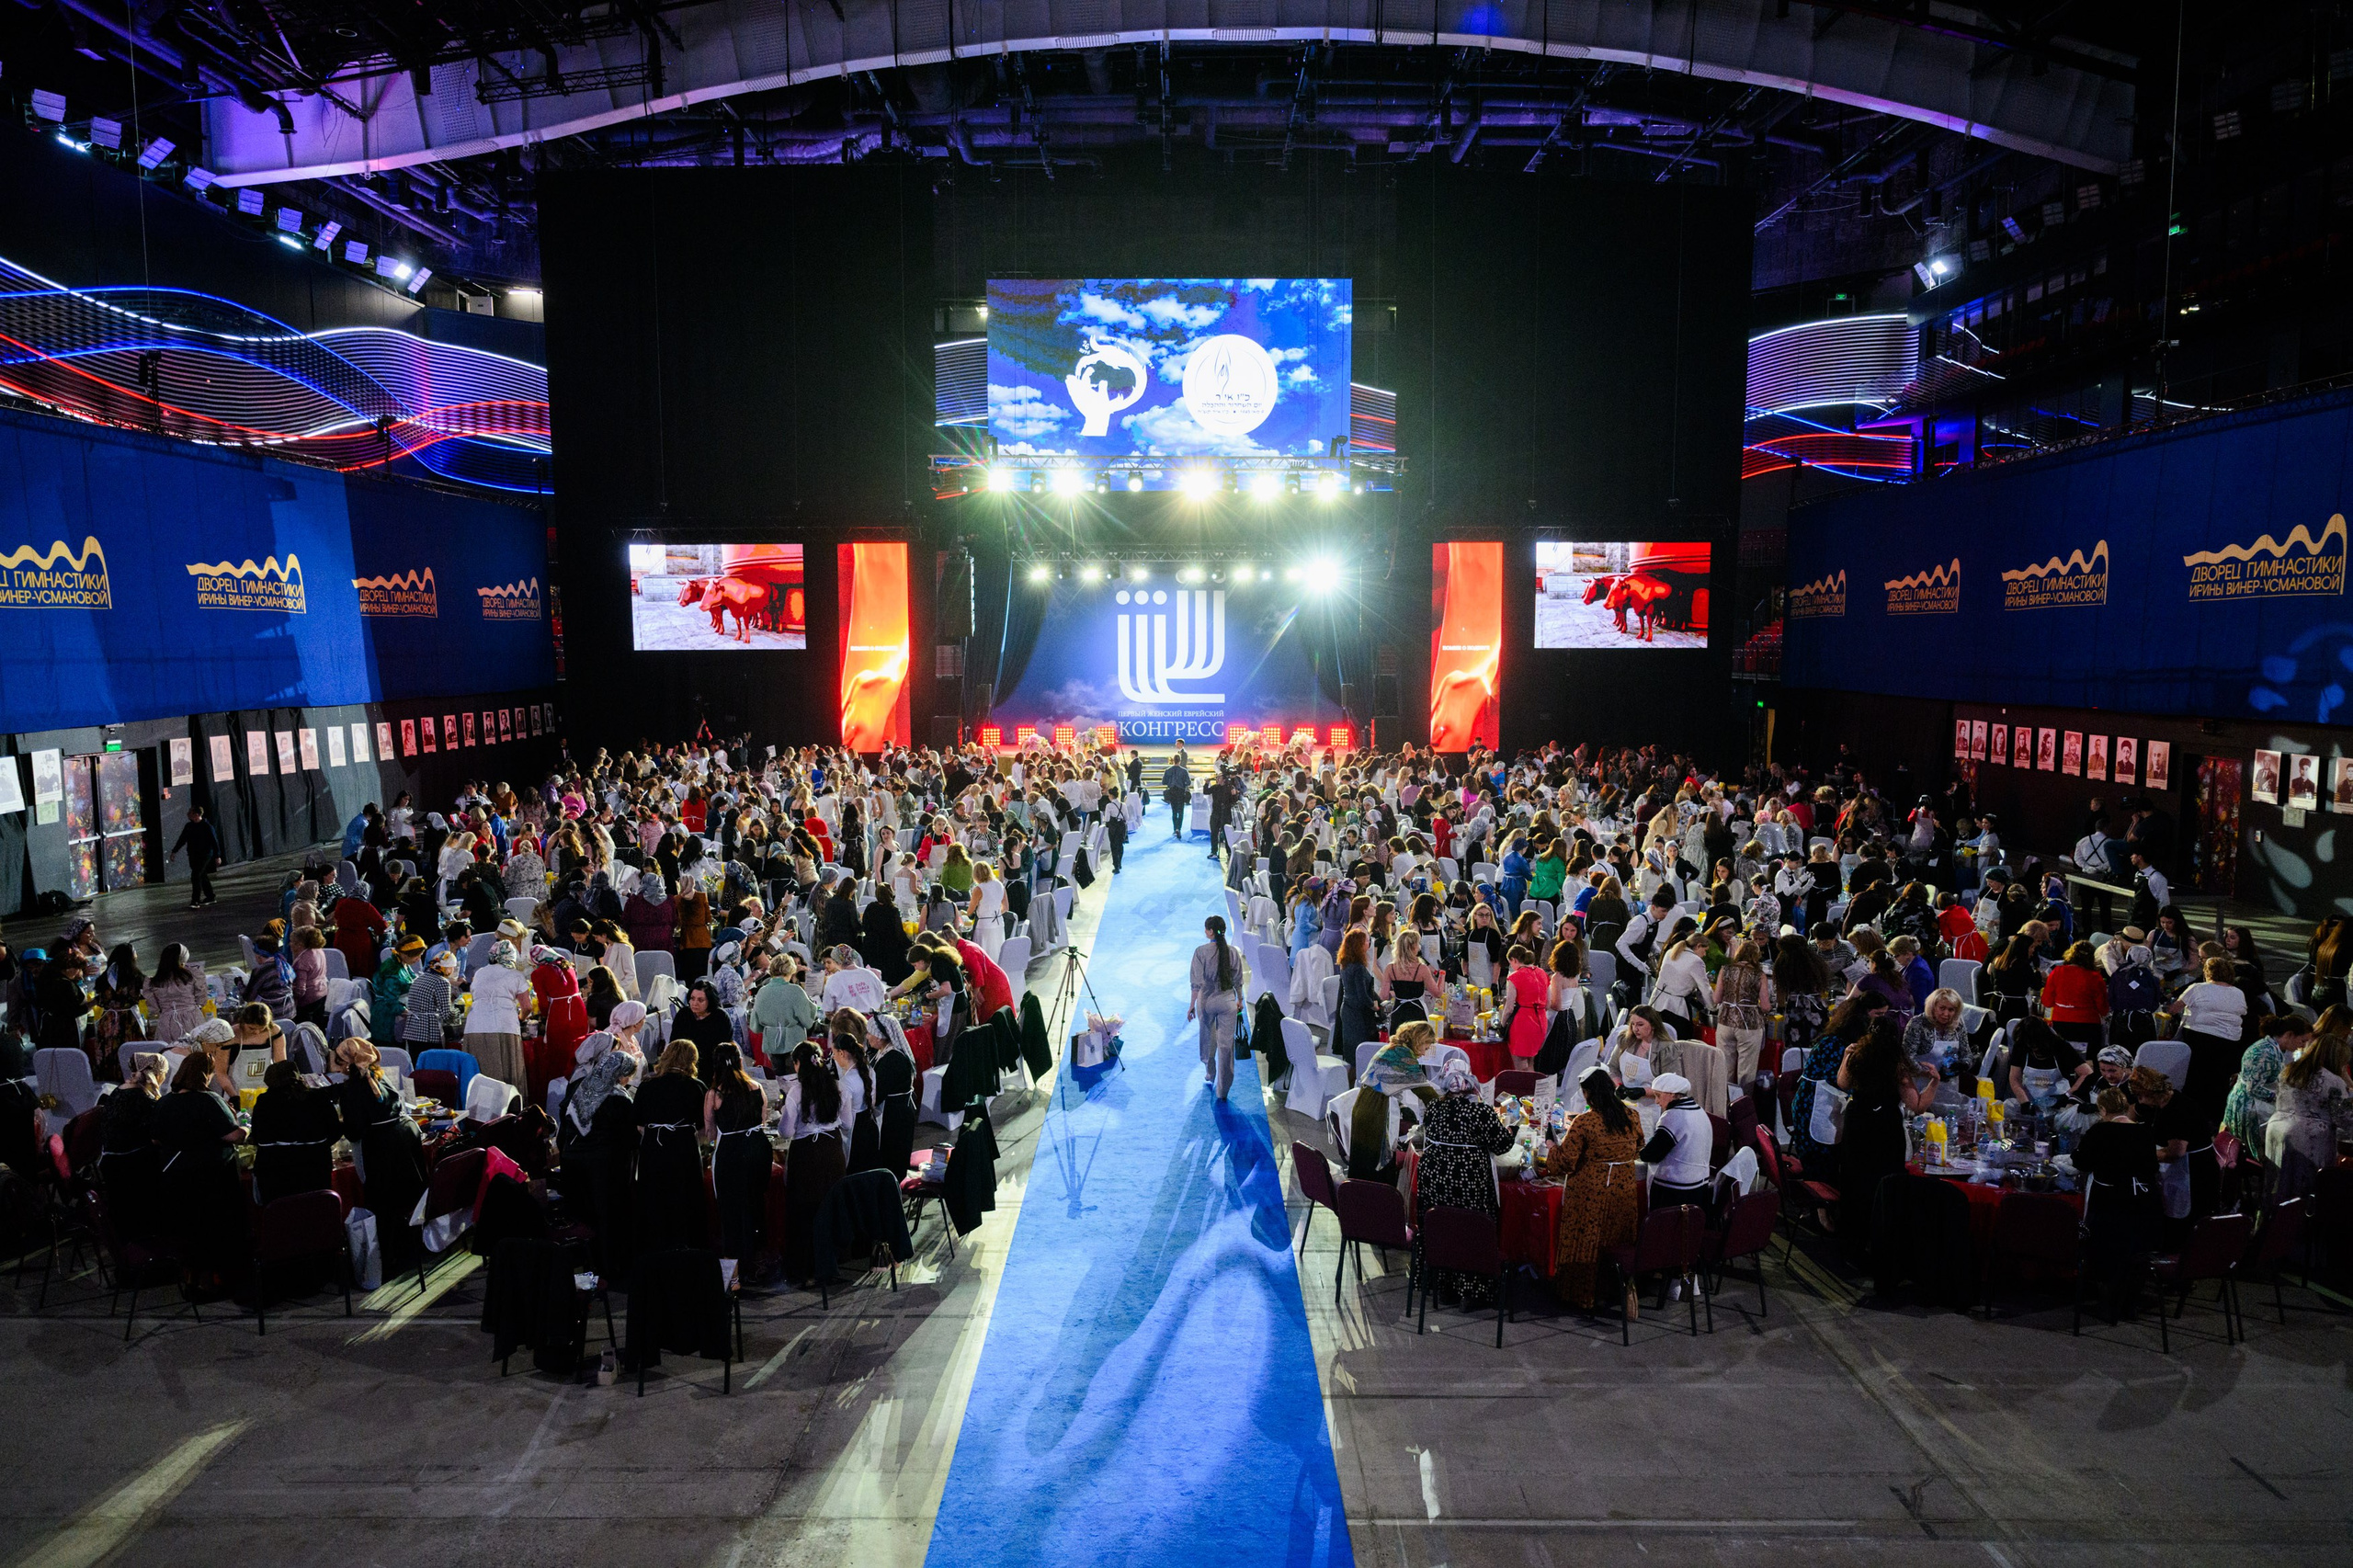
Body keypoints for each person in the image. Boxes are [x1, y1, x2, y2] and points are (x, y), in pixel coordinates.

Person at [1412, 1059, 1516, 1306]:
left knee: (1443, 1227)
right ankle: (1471, 1290)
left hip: (1435, 1182)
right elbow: (1502, 1145)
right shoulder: (1480, 1112)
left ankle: (1441, 1283)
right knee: (1471, 1229)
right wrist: (1512, 1131)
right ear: (1470, 1083)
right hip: (1470, 1184)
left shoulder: (1434, 1108)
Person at [1541, 1065, 1644, 1312]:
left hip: (1590, 1196)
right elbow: (1640, 1146)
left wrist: (1551, 1147)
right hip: (1623, 1192)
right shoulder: (1632, 1116)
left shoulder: (1585, 1123)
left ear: (1588, 1094)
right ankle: (1613, 1290)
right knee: (1615, 1241)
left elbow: (1565, 1162)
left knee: (1587, 1242)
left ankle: (1581, 1295)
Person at [153, 1051, 248, 1290]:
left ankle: (191, 1277)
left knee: (189, 1231)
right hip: (211, 1178)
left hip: (175, 1177)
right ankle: (213, 1281)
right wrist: (246, 1128)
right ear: (205, 1075)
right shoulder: (209, 1100)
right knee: (213, 1230)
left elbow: (156, 1140)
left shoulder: (164, 1102)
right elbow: (233, 1135)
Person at [334, 1040, 430, 1270]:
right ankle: (407, 1249)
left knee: (382, 1205)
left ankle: (386, 1258)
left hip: (379, 1151)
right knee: (401, 1201)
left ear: (346, 1064)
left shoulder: (352, 1090)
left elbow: (355, 1130)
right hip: (403, 1141)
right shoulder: (380, 1076)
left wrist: (339, 1125)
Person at [1835, 1014, 1926, 1256]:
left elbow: (1842, 1083)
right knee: (1884, 1180)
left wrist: (1846, 1056)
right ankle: (1882, 1239)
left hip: (1858, 1122)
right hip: (1885, 1124)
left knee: (1855, 1179)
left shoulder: (1858, 1055)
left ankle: (1852, 1238)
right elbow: (1913, 1103)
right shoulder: (1897, 1063)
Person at [2075, 1085, 2160, 1322]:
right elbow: (2152, 1167)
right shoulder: (2144, 1132)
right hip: (2142, 1201)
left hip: (2110, 1200)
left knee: (2105, 1249)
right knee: (2134, 1252)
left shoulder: (2100, 1131)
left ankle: (2108, 1305)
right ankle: (2130, 1304)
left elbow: (2082, 1161)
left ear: (2102, 1109)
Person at [563, 1044, 642, 1280]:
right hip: (605, 1169)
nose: (628, 1080)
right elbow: (630, 1138)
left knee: (585, 1217)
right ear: (619, 1073)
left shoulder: (581, 1088)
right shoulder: (619, 1100)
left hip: (574, 1165)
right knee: (609, 1218)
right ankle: (611, 1269)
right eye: (628, 1075)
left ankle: (587, 1266)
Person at [777, 1040, 849, 1286]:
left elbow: (786, 1132)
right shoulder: (838, 1087)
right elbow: (848, 1124)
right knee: (829, 1207)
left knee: (805, 1212)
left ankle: (805, 1271)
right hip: (832, 1151)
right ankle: (830, 1265)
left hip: (806, 1155)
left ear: (798, 1065)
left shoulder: (796, 1092)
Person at [632, 1039, 710, 1255]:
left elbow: (638, 1123)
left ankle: (656, 1244)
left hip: (654, 1144)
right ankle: (684, 1244)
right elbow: (704, 1127)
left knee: (655, 1193)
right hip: (682, 1144)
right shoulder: (696, 1085)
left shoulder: (648, 1084)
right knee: (684, 1192)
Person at [704, 1040, 773, 1275]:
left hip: (731, 1152)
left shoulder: (715, 1093)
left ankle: (734, 1271)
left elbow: (710, 1132)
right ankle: (757, 1260)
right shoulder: (756, 1087)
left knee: (730, 1209)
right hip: (756, 1148)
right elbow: (763, 1120)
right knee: (755, 1203)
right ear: (739, 1061)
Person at [2264, 1021, 2353, 1199]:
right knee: (2303, 1192)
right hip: (2307, 1139)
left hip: (2276, 1130)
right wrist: (2347, 1081)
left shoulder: (2290, 1070)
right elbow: (2344, 1119)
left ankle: (2272, 1221)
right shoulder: (2333, 1082)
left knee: (2276, 1185)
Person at [2169, 955, 2250, 1127]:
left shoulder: (2197, 988)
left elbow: (2174, 1008)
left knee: (2196, 1080)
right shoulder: (2238, 993)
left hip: (2200, 1039)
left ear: (2207, 973)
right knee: (2219, 1083)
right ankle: (2215, 1122)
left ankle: (2191, 1119)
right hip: (2230, 1043)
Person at [248, 1059, 339, 1205]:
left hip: (275, 1174)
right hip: (315, 1170)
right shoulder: (317, 1097)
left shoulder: (264, 1101)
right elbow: (335, 1130)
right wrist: (317, 1146)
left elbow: (258, 1137)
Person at [97, 1054, 167, 1240]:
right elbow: (157, 1137)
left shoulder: (118, 1091)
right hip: (131, 1167)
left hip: (109, 1164)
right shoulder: (143, 1100)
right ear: (157, 1074)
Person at [2222, 1014, 2305, 1155]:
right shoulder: (2265, 1052)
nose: (2302, 1045)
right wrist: (2284, 1098)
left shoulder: (2272, 1049)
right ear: (2289, 1035)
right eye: (2302, 1040)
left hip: (2250, 1105)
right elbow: (2253, 1088)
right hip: (2249, 1109)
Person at [1638, 1072, 1714, 1223]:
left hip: (1677, 1189)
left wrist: (1639, 1150)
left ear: (1671, 1094)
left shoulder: (1673, 1116)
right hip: (1699, 1185)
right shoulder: (1699, 1110)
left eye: (1659, 1096)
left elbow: (1652, 1154)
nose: (1657, 1102)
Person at [462, 939, 533, 1090]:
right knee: (507, 1071)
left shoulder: (480, 973)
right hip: (504, 1025)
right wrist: (520, 1019)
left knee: (481, 1071)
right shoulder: (516, 975)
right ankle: (508, 1108)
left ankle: (480, 1106)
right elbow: (527, 1006)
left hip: (475, 1026)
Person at [1188, 915, 1244, 1100]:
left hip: (1206, 1001)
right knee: (1226, 1047)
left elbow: (1196, 983)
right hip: (1228, 1002)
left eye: (1206, 929)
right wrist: (1240, 999)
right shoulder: (1233, 952)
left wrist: (1191, 1006)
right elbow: (1238, 979)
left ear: (1210, 931)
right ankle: (1223, 1090)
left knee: (1208, 1039)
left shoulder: (1200, 952)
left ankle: (1210, 1073)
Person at [1711, 938, 1771, 1087]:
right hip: (1749, 1025)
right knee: (1746, 1071)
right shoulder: (1759, 974)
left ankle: (1724, 1102)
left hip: (1725, 1021)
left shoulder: (1725, 969)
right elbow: (1765, 1006)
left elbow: (1716, 998)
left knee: (1725, 1068)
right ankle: (1742, 1105)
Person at [1333, 929, 1382, 1068]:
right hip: (1358, 1014)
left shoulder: (1345, 963)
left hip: (1347, 1009)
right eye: (1366, 941)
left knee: (1350, 1052)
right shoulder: (1359, 968)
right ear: (1359, 945)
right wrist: (1375, 1005)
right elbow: (1362, 996)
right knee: (1360, 1052)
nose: (1369, 943)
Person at [1497, 943, 1550, 1073]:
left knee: (1520, 1066)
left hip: (1523, 1023)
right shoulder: (1542, 973)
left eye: (1511, 963)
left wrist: (1502, 1025)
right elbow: (1548, 1004)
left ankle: (1522, 1092)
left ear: (1514, 960)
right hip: (1541, 1021)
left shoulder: (1515, 977)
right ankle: (1532, 1091)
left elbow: (1509, 1007)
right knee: (1531, 1063)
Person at [142, 943, 208, 1046]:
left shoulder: (154, 981)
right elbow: (201, 1000)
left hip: (166, 1022)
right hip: (192, 1018)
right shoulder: (192, 975)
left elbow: (154, 1008)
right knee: (195, 1051)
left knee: (170, 1052)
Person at [170, 805, 222, 908]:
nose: (188, 813)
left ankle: (195, 901)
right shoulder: (189, 826)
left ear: (196, 815)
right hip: (193, 854)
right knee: (202, 875)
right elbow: (182, 839)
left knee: (196, 875)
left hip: (205, 854)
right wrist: (174, 851)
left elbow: (214, 842)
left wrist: (217, 856)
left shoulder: (207, 826)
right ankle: (210, 896)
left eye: (190, 812)